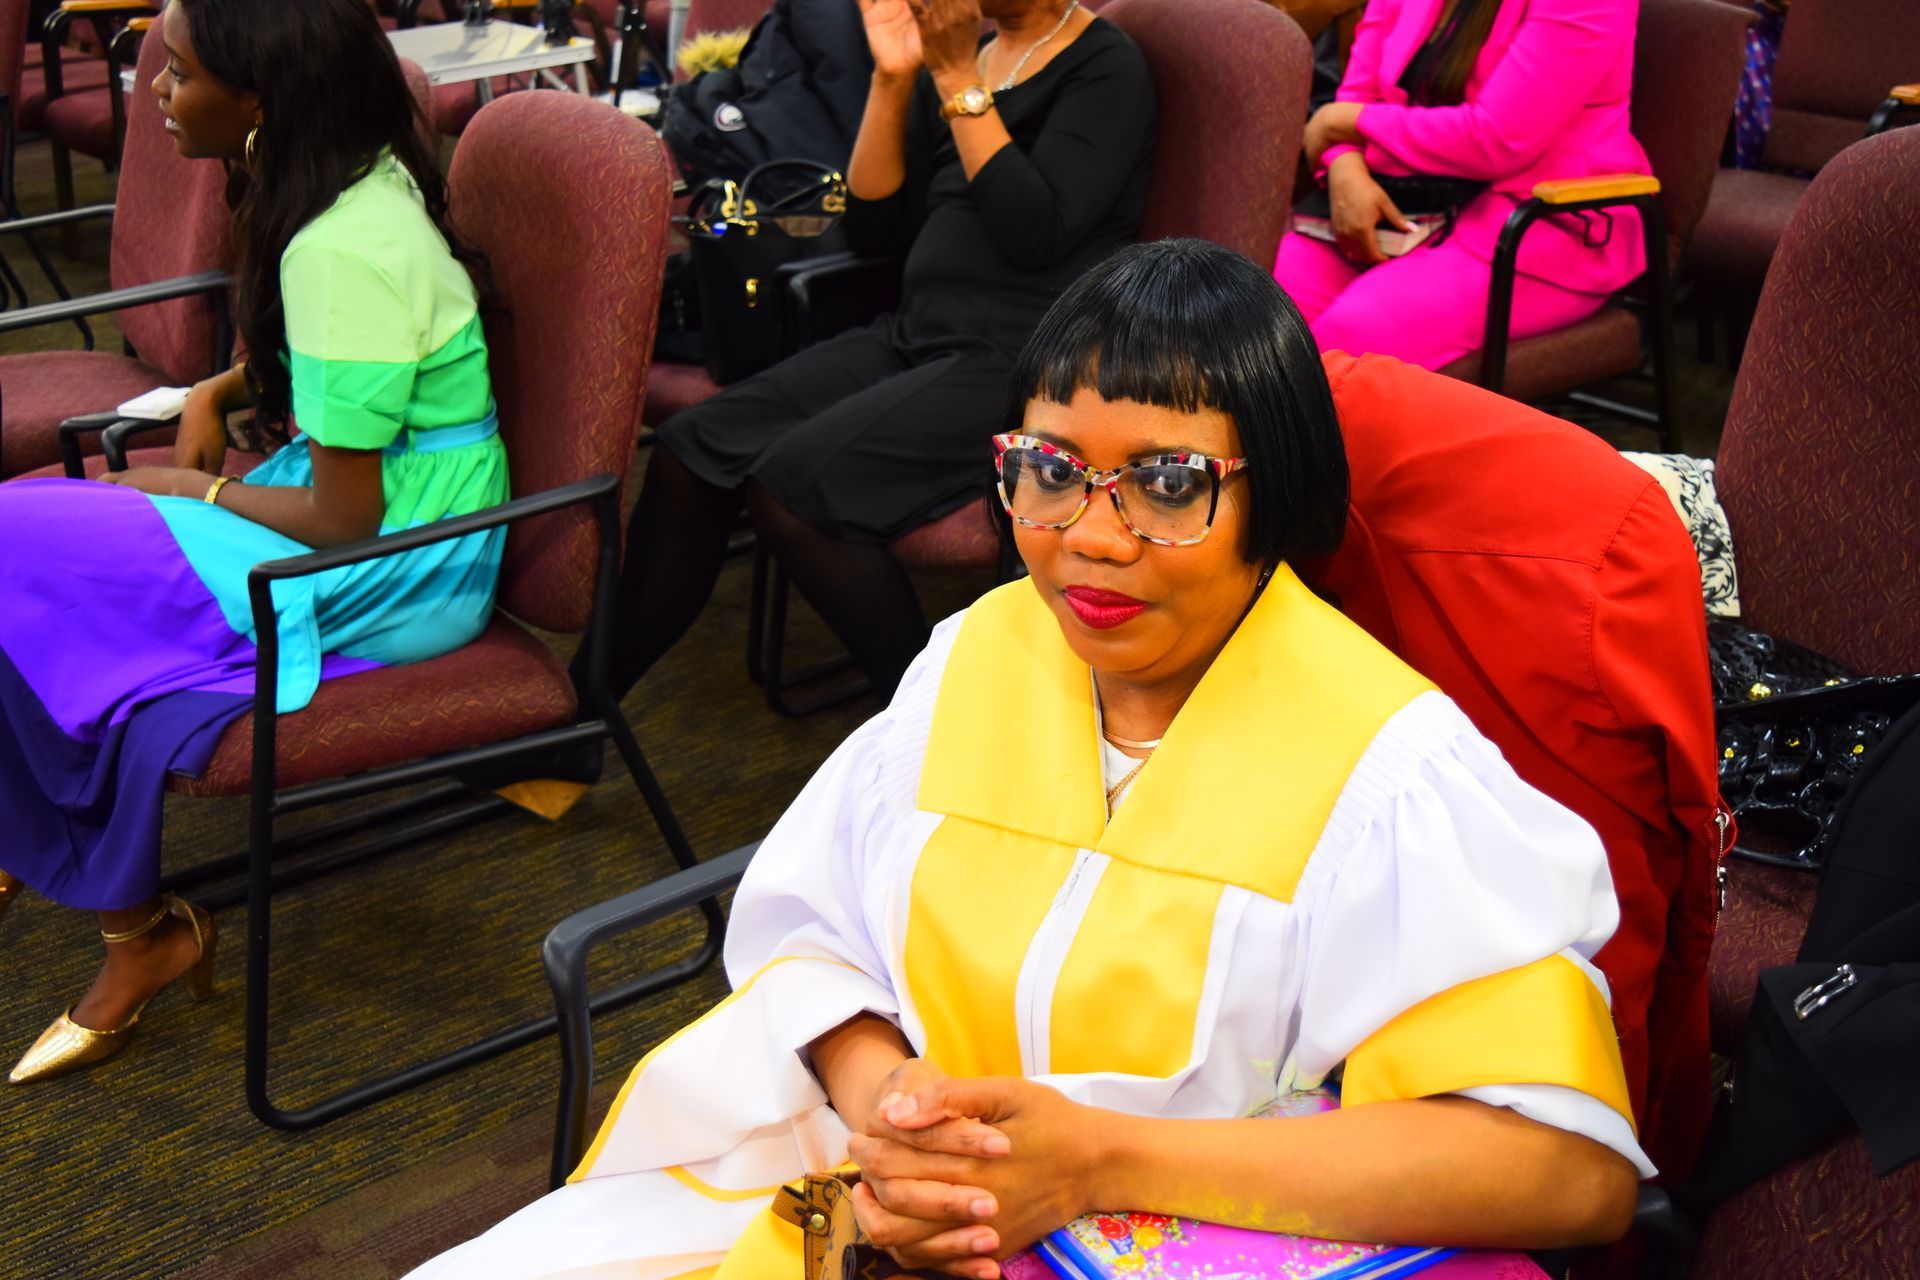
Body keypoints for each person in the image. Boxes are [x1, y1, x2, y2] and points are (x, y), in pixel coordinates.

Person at [407, 240, 1647, 1280]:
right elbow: (814, 935)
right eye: (1051, 471)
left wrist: (1094, 1160)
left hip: (1165, 1237)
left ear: (1275, 497)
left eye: (1167, 485)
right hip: (872, 1197)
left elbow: (1564, 1167)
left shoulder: (1384, 765)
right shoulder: (980, 655)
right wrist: (898, 1110)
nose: (1090, 538)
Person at [0, 0, 506, 1084]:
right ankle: (62, 862)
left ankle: (140, 932)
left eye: (179, 72)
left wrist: (194, 485)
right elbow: (367, 364)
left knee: (25, 557)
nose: (153, 89)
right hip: (389, 507)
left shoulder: (341, 247)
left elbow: (343, 521)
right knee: (32, 563)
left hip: (400, 558)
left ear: (262, 98)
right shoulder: (348, 182)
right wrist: (220, 390)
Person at [598, 0, 1154, 720]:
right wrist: (893, 80)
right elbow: (875, 224)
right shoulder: (972, 59)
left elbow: (1034, 234)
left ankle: (944, 728)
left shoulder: (1105, 66)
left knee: (797, 494)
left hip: (1026, 361)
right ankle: (585, 710)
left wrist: (954, 77)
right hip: (916, 331)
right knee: (691, 450)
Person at [1273, 0, 1652, 370]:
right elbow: (1356, 94)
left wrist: (1350, 123)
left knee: (1344, 348)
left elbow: (1498, 138)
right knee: (1259, 314)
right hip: (1402, 205)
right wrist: (1345, 168)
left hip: (1533, 226)